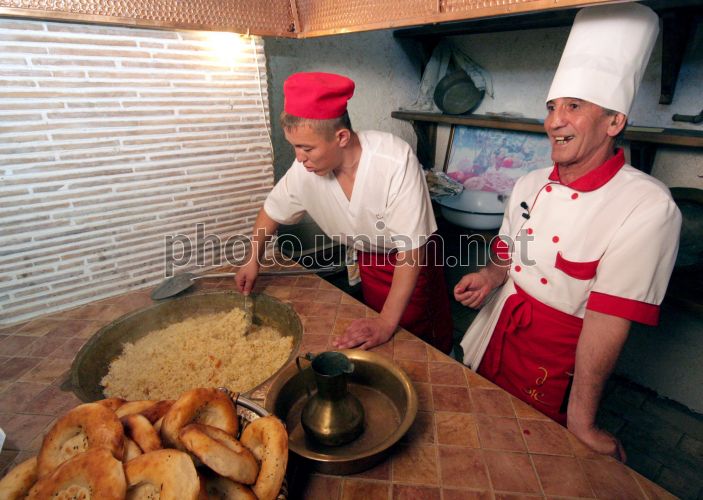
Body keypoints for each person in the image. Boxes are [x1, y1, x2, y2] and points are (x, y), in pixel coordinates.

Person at [456, 3, 682, 460]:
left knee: (534, 456)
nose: (553, 121)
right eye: (552, 107)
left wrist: (582, 422)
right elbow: (508, 250)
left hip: (559, 353)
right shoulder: (529, 182)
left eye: (573, 106)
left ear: (614, 122)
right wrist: (491, 276)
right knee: (478, 427)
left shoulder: (648, 207)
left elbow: (607, 321)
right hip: (500, 325)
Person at [236, 72, 453, 353]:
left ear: (341, 137)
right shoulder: (303, 170)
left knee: (419, 339)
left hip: (412, 261)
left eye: (306, 148)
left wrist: (386, 322)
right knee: (382, 340)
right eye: (295, 147)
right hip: (369, 259)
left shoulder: (394, 160)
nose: (299, 158)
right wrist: (252, 259)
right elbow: (272, 210)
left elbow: (412, 251)